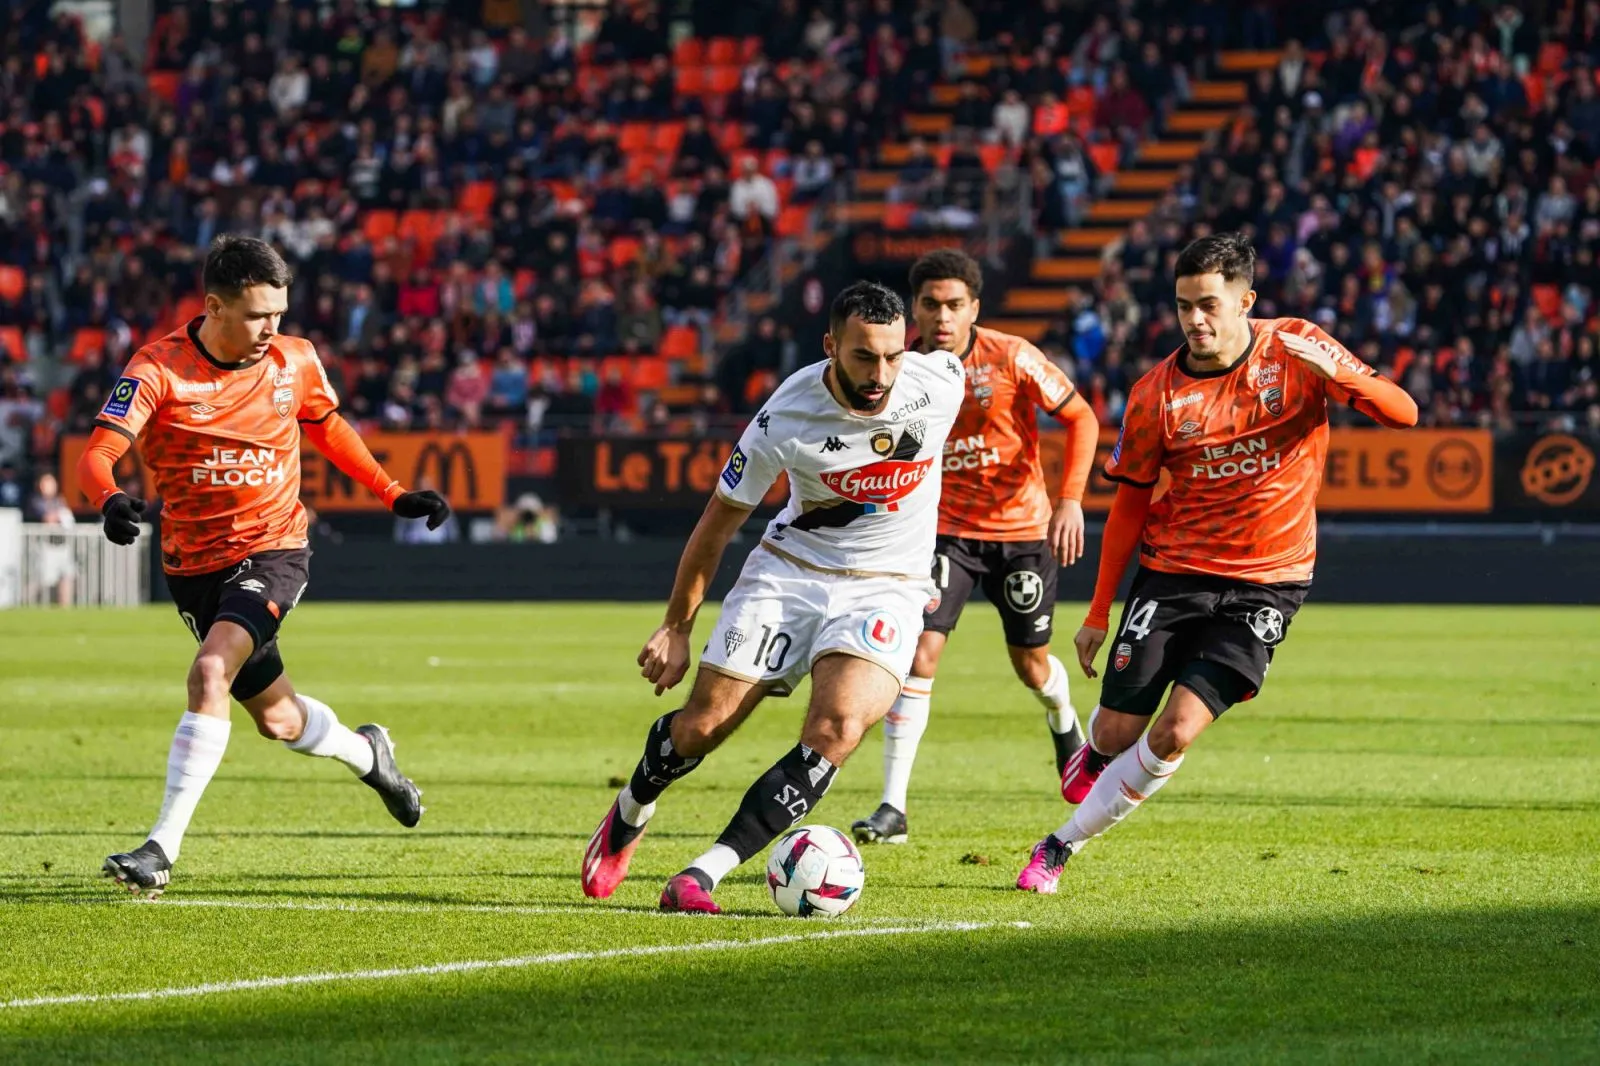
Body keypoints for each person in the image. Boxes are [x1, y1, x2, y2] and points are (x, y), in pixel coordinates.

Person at [1017, 232, 1418, 893]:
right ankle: (1096, 753)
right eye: (1183, 306)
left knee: (1176, 731)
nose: (1195, 320)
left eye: (1209, 304)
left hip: (1270, 583)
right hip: (1175, 573)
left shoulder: (1295, 350)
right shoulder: (1156, 396)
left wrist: (1338, 371)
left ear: (1245, 302)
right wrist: (1096, 611)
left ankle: (1059, 847)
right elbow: (1128, 508)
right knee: (1118, 730)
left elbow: (1402, 415)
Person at [77, 235, 453, 898]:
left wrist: (392, 492)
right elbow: (95, 455)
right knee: (278, 720)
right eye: (257, 316)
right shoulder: (158, 370)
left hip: (274, 548)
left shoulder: (294, 360)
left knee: (210, 671)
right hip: (193, 566)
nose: (271, 330)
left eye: (279, 314)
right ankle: (371, 755)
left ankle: (160, 848)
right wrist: (108, 499)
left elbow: (327, 425)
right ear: (215, 307)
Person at [580, 281, 966, 913]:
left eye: (893, 356)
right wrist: (676, 626)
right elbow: (718, 523)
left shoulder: (938, 381)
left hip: (889, 587)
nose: (881, 373)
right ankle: (632, 807)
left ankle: (702, 875)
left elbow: (974, 349)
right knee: (702, 727)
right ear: (830, 346)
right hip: (790, 573)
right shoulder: (785, 415)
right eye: (864, 356)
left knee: (838, 726)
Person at [851, 249, 1101, 846]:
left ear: (974, 309)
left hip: (1021, 534)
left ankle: (1062, 720)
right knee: (919, 655)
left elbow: (1083, 418)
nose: (942, 316)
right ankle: (893, 808)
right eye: (931, 304)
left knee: (1031, 665)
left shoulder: (1013, 356)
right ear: (914, 308)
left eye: (954, 305)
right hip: (943, 532)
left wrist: (1070, 499)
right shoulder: (896, 367)